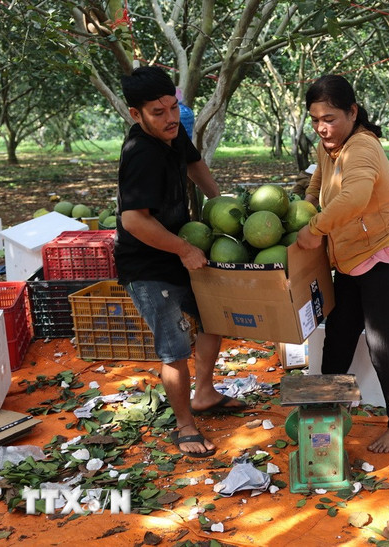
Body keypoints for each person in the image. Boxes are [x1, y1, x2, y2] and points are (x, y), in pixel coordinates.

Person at [116, 66, 246, 458]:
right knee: (174, 348)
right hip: (147, 265)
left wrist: (218, 202)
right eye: (158, 112)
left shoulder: (173, 132)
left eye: (173, 107)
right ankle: (185, 426)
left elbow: (194, 163)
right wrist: (185, 250)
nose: (171, 118)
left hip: (180, 248)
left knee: (213, 319)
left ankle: (204, 393)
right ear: (136, 114)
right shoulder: (141, 154)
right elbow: (133, 220)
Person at [296, 74, 389, 453]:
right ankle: (329, 405)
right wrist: (305, 206)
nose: (322, 128)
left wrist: (315, 229)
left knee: (385, 348)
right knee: (338, 335)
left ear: (352, 112)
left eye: (329, 119)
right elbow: (318, 180)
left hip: (387, 258)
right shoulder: (329, 146)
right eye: (315, 120)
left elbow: (355, 196)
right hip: (350, 260)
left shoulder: (362, 146)